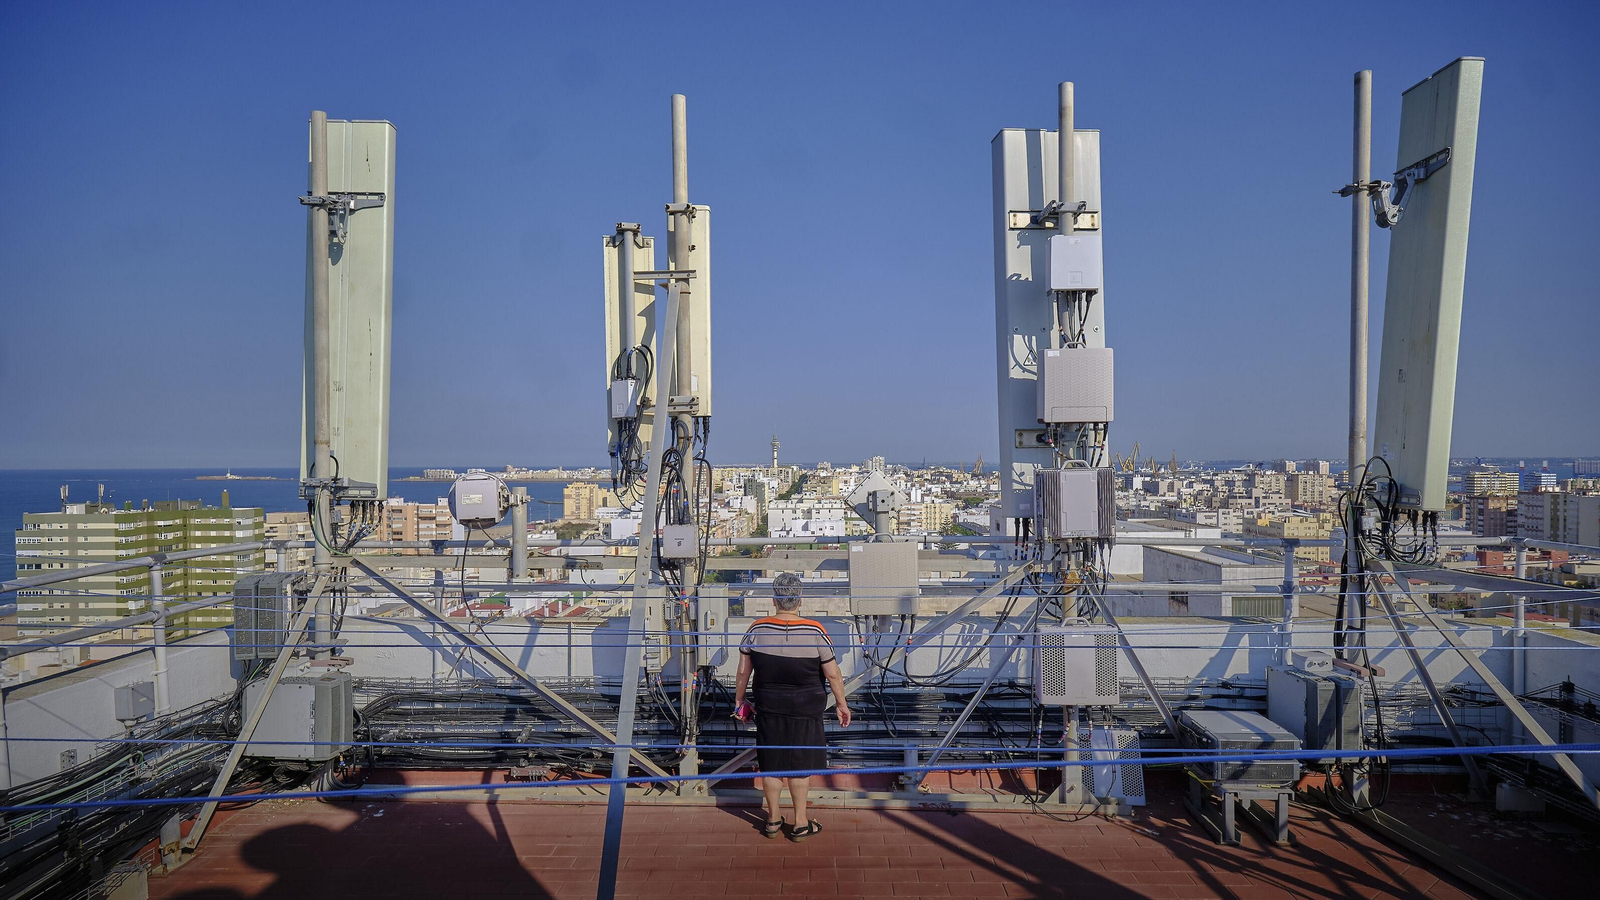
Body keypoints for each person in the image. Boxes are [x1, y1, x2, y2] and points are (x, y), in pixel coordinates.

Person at [734, 572, 851, 841]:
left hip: (769, 706)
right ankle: (800, 823)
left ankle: (773, 820)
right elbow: (833, 675)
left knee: (772, 763)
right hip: (806, 709)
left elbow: (743, 672)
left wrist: (740, 701)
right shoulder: (815, 631)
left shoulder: (757, 629)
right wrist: (842, 704)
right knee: (800, 764)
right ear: (800, 600)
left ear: (775, 600)